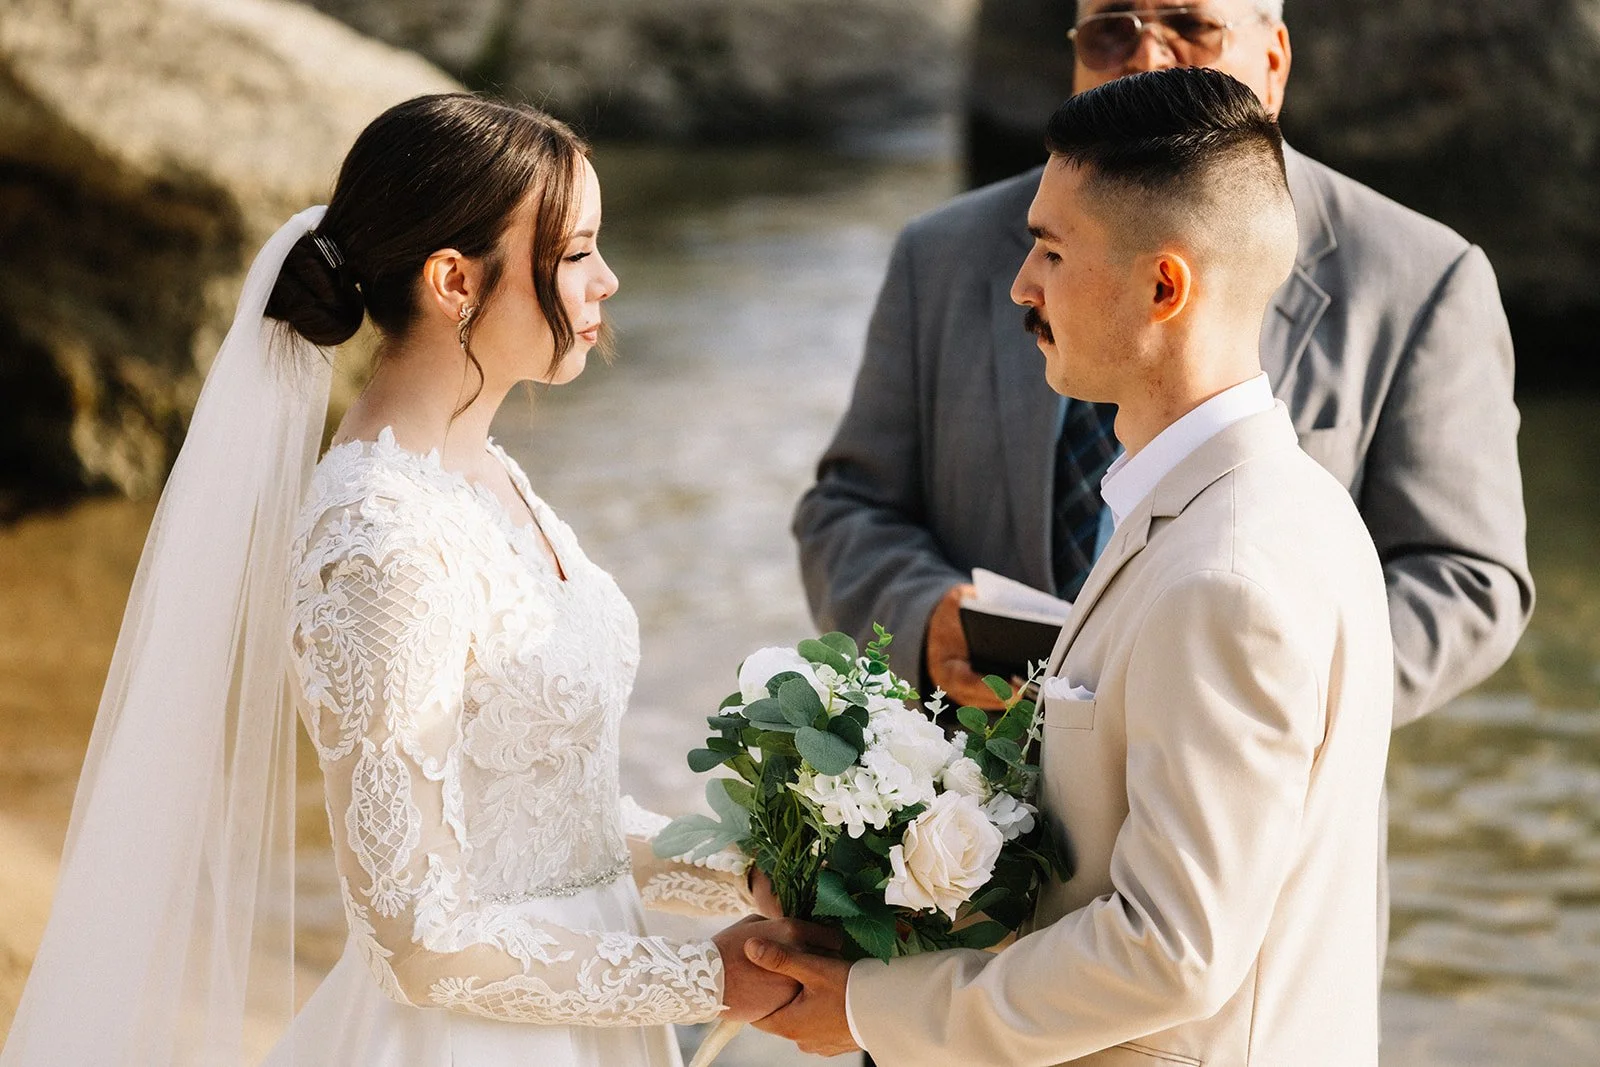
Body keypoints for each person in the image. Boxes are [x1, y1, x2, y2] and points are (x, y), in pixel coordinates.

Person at [1, 94, 807, 1067]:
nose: (609, 278)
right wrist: (707, 977)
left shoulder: (485, 470)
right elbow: (420, 941)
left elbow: (550, 824)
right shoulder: (378, 539)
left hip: (579, 1012)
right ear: (453, 279)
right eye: (577, 250)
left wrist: (760, 867)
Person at [749, 67, 1394, 1066]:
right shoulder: (1279, 505)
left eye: (1051, 250)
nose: (1022, 285)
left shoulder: (1228, 575)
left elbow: (1169, 950)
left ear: (1162, 285)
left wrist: (876, 1007)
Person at [793, 0, 1532, 726]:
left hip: (1250, 804)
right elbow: (848, 508)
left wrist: (1263, 698)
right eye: (1112, 30)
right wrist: (924, 617)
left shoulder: (1425, 280)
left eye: (1189, 26)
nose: (1146, 57)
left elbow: (1470, 579)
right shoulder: (941, 254)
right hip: (961, 818)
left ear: (1272, 63)